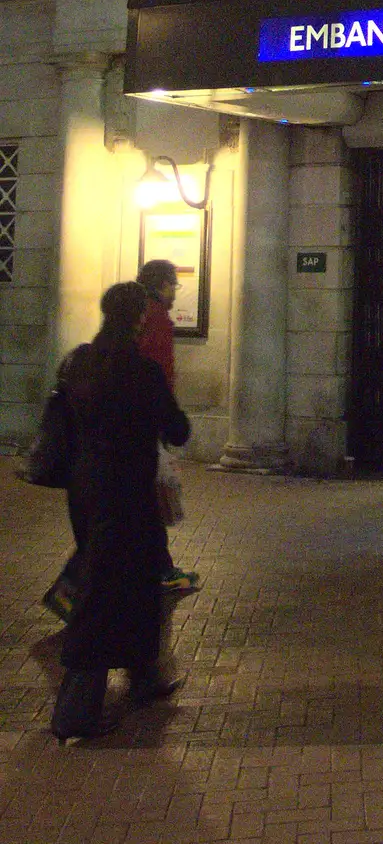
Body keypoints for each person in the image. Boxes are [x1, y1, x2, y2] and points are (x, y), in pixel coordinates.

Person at [50, 282, 191, 740]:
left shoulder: (78, 363)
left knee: (128, 576)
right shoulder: (139, 371)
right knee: (109, 584)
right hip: (128, 491)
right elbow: (178, 429)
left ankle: (143, 675)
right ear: (137, 319)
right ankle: (78, 707)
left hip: (85, 488)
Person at [136, 260, 200, 595]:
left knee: (136, 503)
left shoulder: (135, 318)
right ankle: (160, 570)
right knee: (148, 500)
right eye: (173, 284)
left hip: (128, 426)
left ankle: (156, 566)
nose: (176, 290)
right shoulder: (157, 318)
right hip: (146, 426)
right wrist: (168, 420)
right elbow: (157, 375)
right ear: (161, 285)